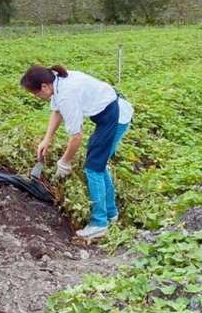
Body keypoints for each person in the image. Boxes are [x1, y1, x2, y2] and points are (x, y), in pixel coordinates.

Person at [20, 64, 133, 240]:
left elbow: (76, 136)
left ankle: (99, 224)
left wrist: (64, 162)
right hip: (108, 115)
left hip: (116, 117)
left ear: (44, 87)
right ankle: (111, 213)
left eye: (35, 94)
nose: (37, 97)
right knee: (98, 165)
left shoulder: (67, 95)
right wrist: (46, 139)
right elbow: (57, 112)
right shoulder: (58, 82)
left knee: (94, 168)